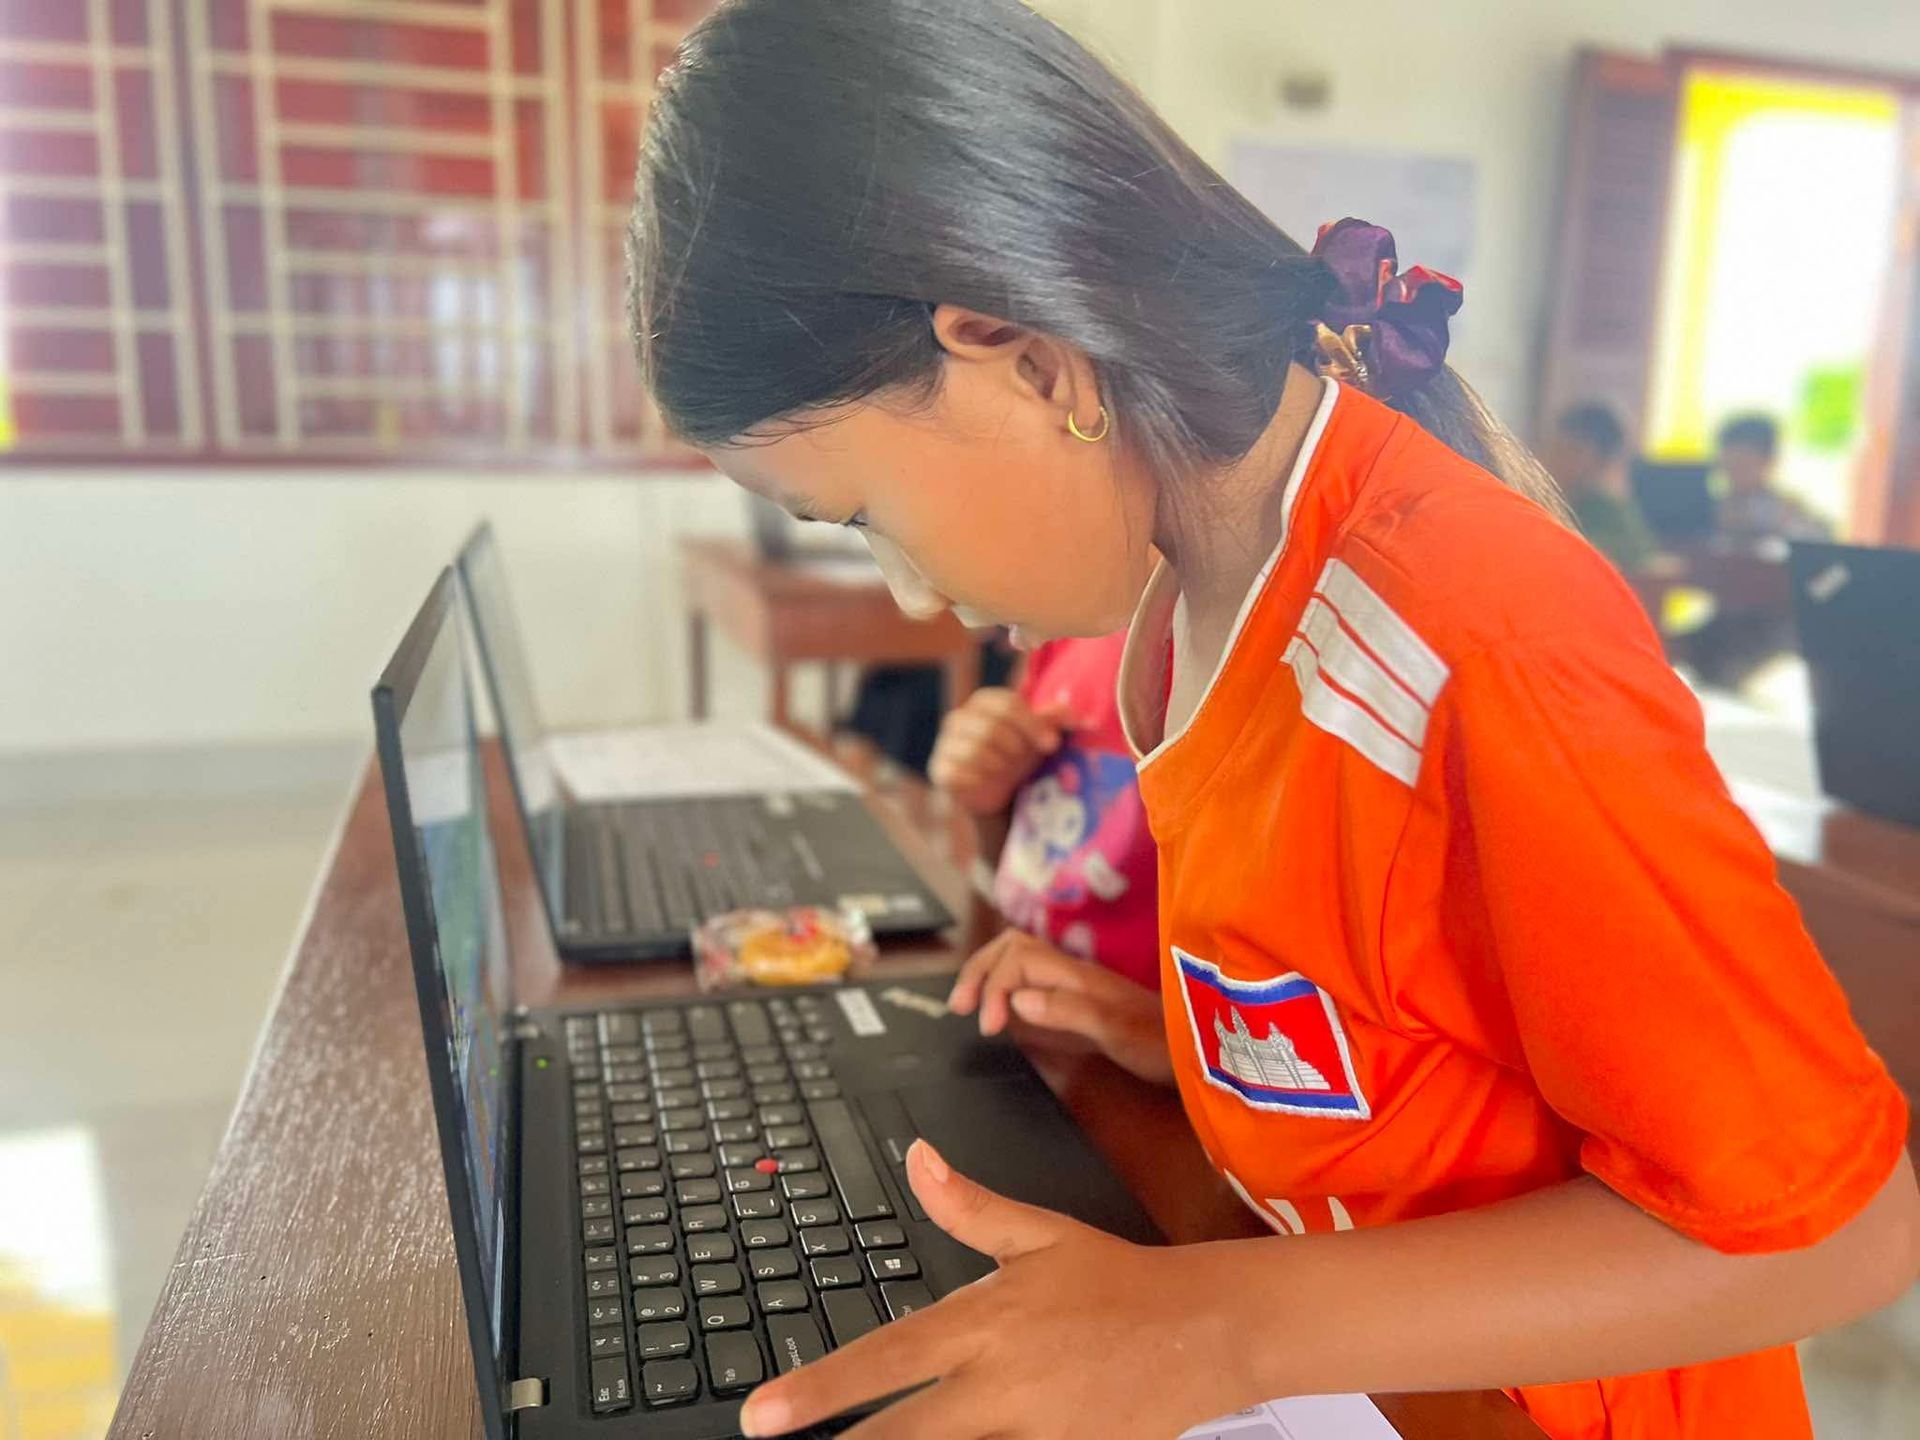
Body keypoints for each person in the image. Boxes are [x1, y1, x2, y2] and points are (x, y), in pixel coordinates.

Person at [626, 4, 1919, 1437]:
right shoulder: (1187, 602)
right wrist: (1188, 1052)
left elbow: (1835, 1229)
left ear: (1023, 357)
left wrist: (1215, 1335)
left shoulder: (1472, 633)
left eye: (867, 515)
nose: (912, 594)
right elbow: (1420, 1025)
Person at [929, 633, 1159, 994]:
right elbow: (1012, 873)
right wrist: (989, 800)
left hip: (1114, 1038)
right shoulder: (1060, 630)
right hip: (1016, 999)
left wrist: (1129, 1025)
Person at [1544, 402, 1658, 576]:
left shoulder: (1608, 509)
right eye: (1555, 447)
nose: (1554, 458)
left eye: (1571, 450)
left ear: (1603, 460)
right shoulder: (1554, 502)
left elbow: (1634, 555)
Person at [1715, 413, 1831, 547]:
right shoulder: (1709, 510)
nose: (1733, 473)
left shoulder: (1790, 511)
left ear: (1770, 461)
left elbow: (1820, 540)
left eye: (1743, 465)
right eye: (1728, 465)